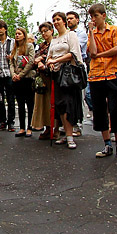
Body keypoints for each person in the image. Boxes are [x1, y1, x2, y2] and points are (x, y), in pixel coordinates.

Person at [87, 4, 117, 159]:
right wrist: (90, 31)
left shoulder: (114, 29)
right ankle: (107, 143)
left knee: (114, 108)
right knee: (100, 110)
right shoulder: (92, 33)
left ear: (103, 15)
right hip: (96, 75)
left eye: (96, 16)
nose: (94, 20)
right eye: (92, 17)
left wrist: (102, 54)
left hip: (111, 74)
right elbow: (93, 52)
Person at [46, 12, 82, 149]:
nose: (56, 22)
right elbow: (49, 56)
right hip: (56, 74)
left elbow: (73, 53)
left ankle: (70, 136)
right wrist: (50, 62)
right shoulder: (54, 40)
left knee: (68, 104)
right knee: (60, 105)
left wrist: (56, 60)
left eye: (58, 19)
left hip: (68, 74)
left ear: (64, 21)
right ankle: (64, 134)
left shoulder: (71, 35)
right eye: (54, 20)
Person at [9, 27, 35, 136]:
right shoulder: (14, 48)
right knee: (20, 104)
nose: (17, 35)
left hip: (27, 79)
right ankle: (22, 128)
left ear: (24, 35)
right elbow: (11, 63)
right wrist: (13, 74)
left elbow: (31, 61)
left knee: (30, 104)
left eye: (19, 33)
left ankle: (30, 127)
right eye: (16, 34)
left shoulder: (29, 46)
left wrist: (21, 75)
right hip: (17, 80)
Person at [66, 11, 88, 133]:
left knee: (78, 97)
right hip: (67, 67)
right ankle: (69, 124)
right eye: (67, 19)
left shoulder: (81, 34)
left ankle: (78, 124)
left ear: (77, 20)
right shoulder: (66, 34)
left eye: (71, 18)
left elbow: (74, 49)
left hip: (78, 67)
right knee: (68, 98)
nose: (69, 21)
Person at [31, 22, 54, 139]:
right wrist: (38, 60)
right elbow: (34, 58)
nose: (44, 33)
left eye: (46, 31)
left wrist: (42, 59)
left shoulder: (55, 43)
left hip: (52, 77)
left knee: (52, 103)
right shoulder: (41, 46)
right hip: (42, 79)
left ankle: (56, 129)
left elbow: (54, 56)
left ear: (51, 31)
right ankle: (47, 128)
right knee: (43, 104)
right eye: (42, 32)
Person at [0, 20, 16, 131]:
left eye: (1, 28)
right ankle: (2, 121)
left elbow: (17, 55)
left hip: (9, 73)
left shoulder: (12, 42)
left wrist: (12, 57)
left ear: (5, 29)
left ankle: (11, 122)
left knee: (11, 99)